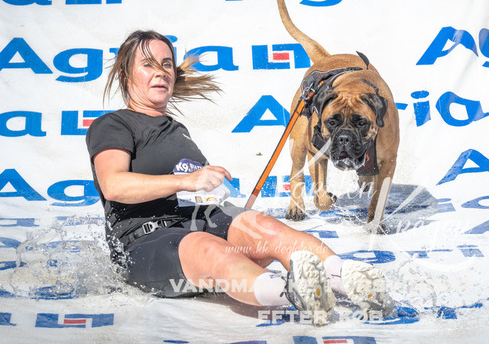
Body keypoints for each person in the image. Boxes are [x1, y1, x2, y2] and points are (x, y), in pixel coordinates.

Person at [86, 30, 392, 325]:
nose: (161, 72)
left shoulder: (176, 129)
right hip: (147, 242)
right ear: (125, 76)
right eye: (148, 64)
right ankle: (294, 293)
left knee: (266, 227)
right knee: (208, 247)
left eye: (167, 64)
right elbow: (114, 185)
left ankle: (348, 278)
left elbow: (195, 194)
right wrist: (187, 181)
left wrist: (218, 199)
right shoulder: (113, 124)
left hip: (202, 219)